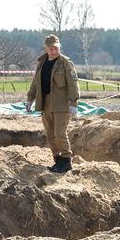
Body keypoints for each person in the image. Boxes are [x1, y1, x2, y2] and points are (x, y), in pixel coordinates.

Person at [26, 34, 79, 173]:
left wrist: (73, 102)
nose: (54, 51)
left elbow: (73, 84)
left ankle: (66, 160)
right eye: (51, 49)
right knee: (49, 134)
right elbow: (35, 83)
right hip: (45, 102)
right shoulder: (42, 63)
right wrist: (30, 99)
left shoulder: (65, 63)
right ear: (46, 49)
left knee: (59, 133)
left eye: (56, 48)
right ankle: (58, 160)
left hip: (62, 104)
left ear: (59, 47)